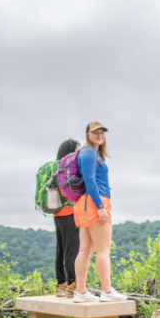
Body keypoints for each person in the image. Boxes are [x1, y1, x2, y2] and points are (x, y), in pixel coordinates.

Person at [72, 121, 127, 303]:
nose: (100, 135)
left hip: (84, 203)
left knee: (85, 250)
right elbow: (89, 180)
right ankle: (107, 292)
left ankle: (80, 292)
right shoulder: (89, 152)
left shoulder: (88, 152)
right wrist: (101, 207)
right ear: (88, 134)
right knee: (104, 249)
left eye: (102, 132)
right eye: (95, 132)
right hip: (95, 202)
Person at [53, 138, 81, 298]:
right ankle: (73, 285)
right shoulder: (68, 167)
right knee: (72, 249)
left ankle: (61, 285)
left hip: (57, 213)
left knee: (61, 249)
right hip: (70, 212)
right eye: (77, 150)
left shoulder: (56, 167)